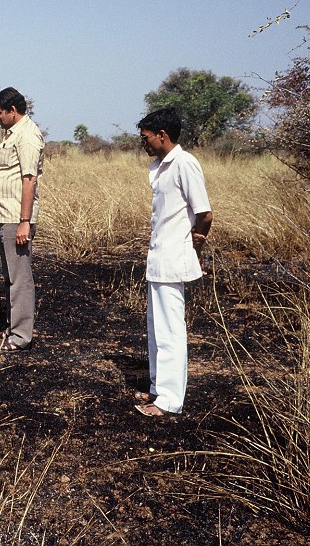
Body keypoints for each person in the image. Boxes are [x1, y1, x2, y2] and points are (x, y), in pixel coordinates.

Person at [134, 108, 213, 417]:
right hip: (158, 257)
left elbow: (204, 213)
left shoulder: (185, 163)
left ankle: (169, 400)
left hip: (173, 257)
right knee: (157, 329)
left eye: (145, 137)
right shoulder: (161, 167)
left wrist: (195, 243)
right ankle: (157, 388)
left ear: (162, 135)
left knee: (171, 331)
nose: (143, 143)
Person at [0, 87, 45, 351]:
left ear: (12, 110)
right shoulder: (13, 134)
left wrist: (24, 221)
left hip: (14, 217)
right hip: (3, 214)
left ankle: (21, 337)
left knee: (20, 277)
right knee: (11, 275)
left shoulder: (28, 137)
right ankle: (13, 329)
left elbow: (29, 179)